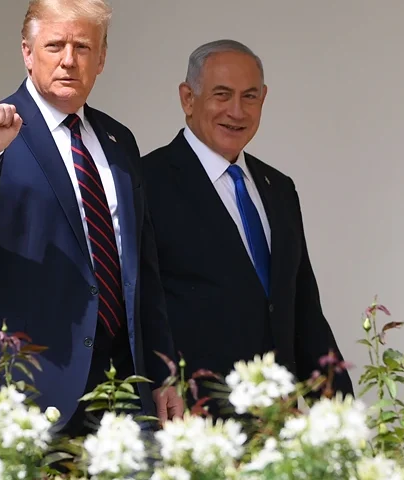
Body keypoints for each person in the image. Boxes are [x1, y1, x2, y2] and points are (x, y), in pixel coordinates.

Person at [0, 0, 183, 436]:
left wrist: (162, 372)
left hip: (119, 388)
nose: (69, 60)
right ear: (27, 53)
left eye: (83, 47)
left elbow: (142, 270)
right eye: (55, 46)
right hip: (18, 385)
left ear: (102, 58)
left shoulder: (118, 141)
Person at [141, 39, 354, 417]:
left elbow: (303, 312)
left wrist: (340, 415)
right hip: (194, 423)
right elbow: (139, 313)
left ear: (264, 99)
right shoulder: (145, 183)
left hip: (278, 424)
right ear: (188, 98)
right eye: (222, 95)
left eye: (250, 97)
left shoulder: (279, 188)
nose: (236, 111)